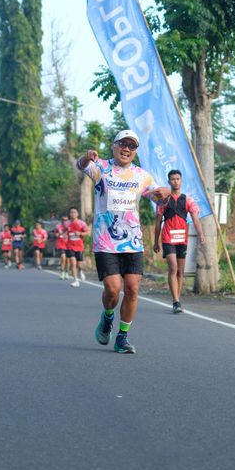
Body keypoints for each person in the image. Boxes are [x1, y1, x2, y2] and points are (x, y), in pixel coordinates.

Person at [76, 129, 170, 354]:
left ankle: (122, 337)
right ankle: (108, 316)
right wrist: (87, 157)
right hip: (105, 240)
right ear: (114, 145)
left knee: (132, 288)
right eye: (123, 144)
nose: (127, 149)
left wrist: (164, 193)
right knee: (112, 290)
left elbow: (157, 196)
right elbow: (80, 165)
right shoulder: (101, 168)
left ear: (135, 151)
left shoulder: (142, 175)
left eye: (132, 146)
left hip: (133, 241)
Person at [154, 169, 205, 313]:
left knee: (180, 271)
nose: (175, 181)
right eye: (173, 179)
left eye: (178, 179)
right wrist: (155, 241)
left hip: (182, 239)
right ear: (169, 182)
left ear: (181, 181)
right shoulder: (163, 201)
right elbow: (157, 222)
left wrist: (201, 234)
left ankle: (178, 300)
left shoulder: (188, 200)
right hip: (168, 238)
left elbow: (195, 219)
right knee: (173, 267)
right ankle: (175, 301)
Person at [66, 207, 88, 286]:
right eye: (71, 212)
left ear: (77, 214)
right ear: (69, 214)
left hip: (79, 246)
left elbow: (87, 232)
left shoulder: (81, 223)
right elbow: (62, 232)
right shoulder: (66, 223)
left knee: (79, 264)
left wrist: (80, 233)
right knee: (72, 262)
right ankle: (76, 280)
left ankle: (80, 271)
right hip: (70, 246)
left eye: (74, 212)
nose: (73, 214)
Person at [55, 214, 69, 279]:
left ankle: (66, 272)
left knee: (67, 260)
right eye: (63, 220)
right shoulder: (58, 226)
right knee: (63, 257)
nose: (64, 221)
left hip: (69, 244)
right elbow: (56, 235)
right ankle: (62, 272)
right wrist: (60, 233)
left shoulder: (70, 225)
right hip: (61, 244)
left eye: (66, 220)